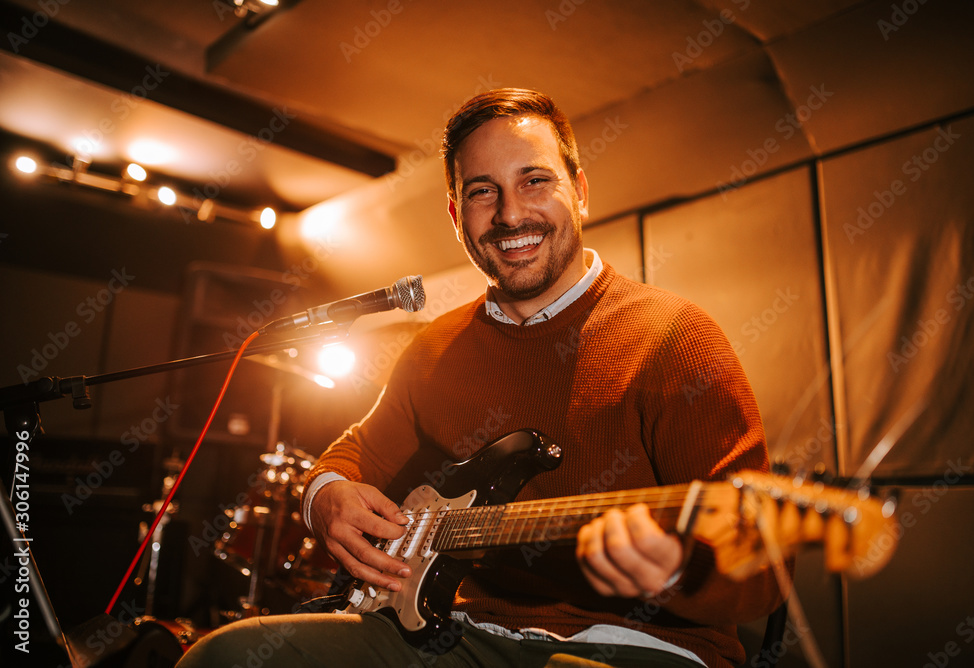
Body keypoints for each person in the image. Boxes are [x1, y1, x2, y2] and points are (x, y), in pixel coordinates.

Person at [178, 88, 783, 668]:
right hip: (457, 636)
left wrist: (675, 571)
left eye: (535, 180)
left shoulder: (676, 335)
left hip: (636, 646)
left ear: (580, 192)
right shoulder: (433, 348)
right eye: (482, 192)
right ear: (455, 215)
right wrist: (325, 498)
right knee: (223, 655)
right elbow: (351, 455)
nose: (511, 213)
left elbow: (763, 572)